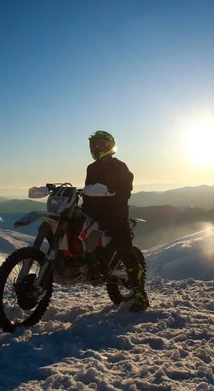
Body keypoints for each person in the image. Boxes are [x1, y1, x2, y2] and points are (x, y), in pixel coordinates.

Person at [82, 130, 150, 312]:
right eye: (93, 146)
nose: (96, 149)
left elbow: (126, 190)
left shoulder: (120, 167)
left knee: (125, 249)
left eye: (99, 145)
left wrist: (112, 194)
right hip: (92, 214)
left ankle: (139, 294)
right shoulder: (91, 168)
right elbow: (88, 190)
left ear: (109, 146)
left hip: (115, 215)